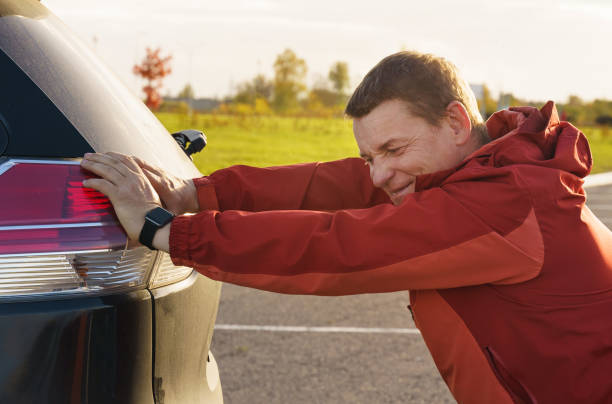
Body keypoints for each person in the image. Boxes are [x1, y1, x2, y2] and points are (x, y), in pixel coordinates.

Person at [80, 51, 612, 403]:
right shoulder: (485, 169)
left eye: (393, 149)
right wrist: (199, 193)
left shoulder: (504, 204)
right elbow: (337, 184)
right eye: (369, 153)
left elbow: (340, 250)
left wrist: (165, 230)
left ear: (454, 121)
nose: (379, 172)